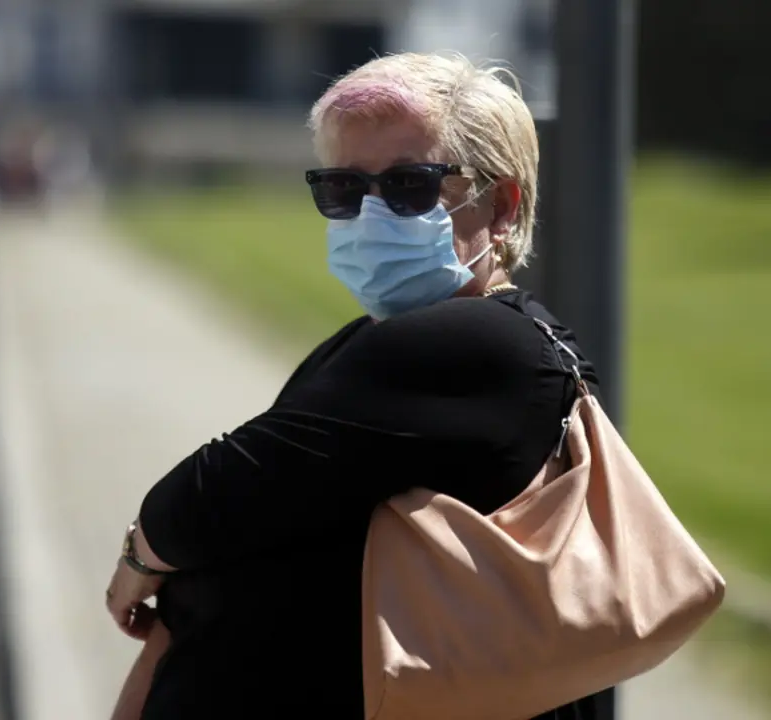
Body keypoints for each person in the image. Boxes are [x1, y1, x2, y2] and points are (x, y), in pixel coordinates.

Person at [105, 52, 611, 719]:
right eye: (344, 189)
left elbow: (213, 495)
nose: (372, 215)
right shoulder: (369, 348)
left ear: (503, 203)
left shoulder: (483, 348)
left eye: (409, 185)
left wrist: (140, 555)